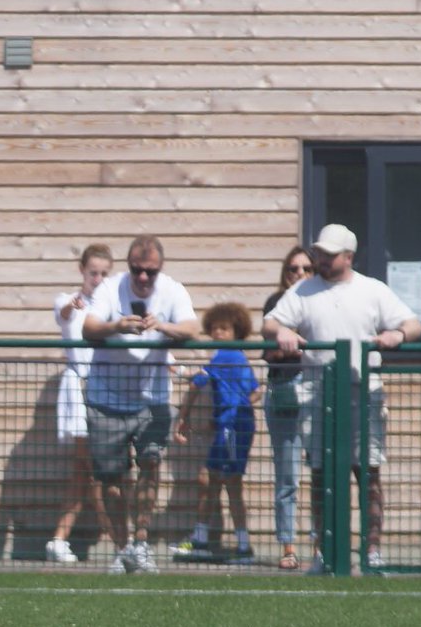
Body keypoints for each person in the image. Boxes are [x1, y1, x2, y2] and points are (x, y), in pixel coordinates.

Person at [262, 224, 421, 572]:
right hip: (318, 395)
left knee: (368, 474)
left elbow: (414, 325)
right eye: (319, 252)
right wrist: (285, 330)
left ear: (348, 257)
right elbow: (269, 324)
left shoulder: (373, 290)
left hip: (364, 395)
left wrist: (396, 334)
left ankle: (372, 551)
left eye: (329, 254)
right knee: (321, 476)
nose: (321, 259)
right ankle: (324, 552)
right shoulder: (303, 291)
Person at [82, 235, 200, 574]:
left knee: (150, 465)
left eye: (150, 271)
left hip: (153, 398)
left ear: (159, 268)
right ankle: (122, 549)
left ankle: (142, 542)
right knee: (110, 479)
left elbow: (192, 328)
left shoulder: (173, 290)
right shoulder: (110, 288)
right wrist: (116, 325)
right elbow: (89, 327)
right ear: (129, 266)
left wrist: (162, 325)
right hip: (106, 397)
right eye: (137, 271)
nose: (143, 278)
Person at [172, 303, 262, 564]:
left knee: (229, 482)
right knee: (210, 480)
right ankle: (202, 539)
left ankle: (242, 547)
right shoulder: (235, 357)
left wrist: (178, 374)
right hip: (230, 425)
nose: (218, 334)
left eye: (224, 328)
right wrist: (224, 415)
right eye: (214, 329)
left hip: (234, 428)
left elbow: (199, 380)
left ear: (237, 330)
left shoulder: (227, 356)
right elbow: (254, 391)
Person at [46, 244, 115, 564]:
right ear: (82, 271)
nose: (97, 279)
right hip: (80, 388)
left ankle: (60, 537)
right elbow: (64, 315)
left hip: (108, 389)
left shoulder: (112, 305)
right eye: (92, 273)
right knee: (92, 465)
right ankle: (120, 541)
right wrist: (74, 307)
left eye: (103, 273)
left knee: (86, 468)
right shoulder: (67, 300)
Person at [262, 246, 314, 570]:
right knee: (287, 475)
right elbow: (270, 354)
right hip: (283, 389)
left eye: (306, 269)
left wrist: (297, 347)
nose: (299, 274)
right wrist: (294, 347)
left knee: (323, 470)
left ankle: (324, 545)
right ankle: (288, 546)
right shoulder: (275, 306)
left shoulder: (320, 302)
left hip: (318, 389)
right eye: (293, 269)